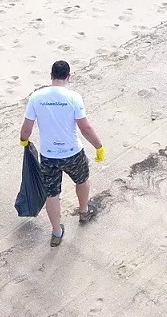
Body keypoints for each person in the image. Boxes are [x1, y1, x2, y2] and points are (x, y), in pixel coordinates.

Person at [20, 60, 105, 247]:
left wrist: (24, 140)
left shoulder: (36, 97)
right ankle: (83, 211)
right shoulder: (74, 97)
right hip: (72, 152)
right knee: (82, 180)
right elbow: (85, 128)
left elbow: (27, 127)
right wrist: (98, 146)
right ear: (69, 76)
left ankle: (57, 232)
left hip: (49, 155)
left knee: (52, 194)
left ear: (51, 76)